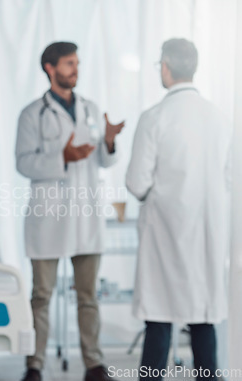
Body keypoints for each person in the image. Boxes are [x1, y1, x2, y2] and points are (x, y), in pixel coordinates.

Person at [15, 41, 124, 381]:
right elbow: (23, 162)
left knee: (88, 297)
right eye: (68, 63)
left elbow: (106, 160)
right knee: (42, 296)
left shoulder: (91, 109)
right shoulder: (33, 113)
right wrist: (63, 157)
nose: (75, 69)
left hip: (86, 214)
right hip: (49, 217)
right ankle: (35, 365)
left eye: (76, 63)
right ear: (50, 68)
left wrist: (108, 141)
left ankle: (93, 363)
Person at [126, 38, 231, 380]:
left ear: (166, 67)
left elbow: (136, 182)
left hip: (165, 231)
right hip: (208, 229)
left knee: (159, 317)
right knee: (203, 316)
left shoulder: (155, 116)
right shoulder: (218, 117)